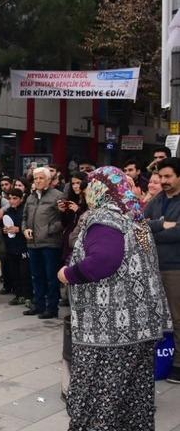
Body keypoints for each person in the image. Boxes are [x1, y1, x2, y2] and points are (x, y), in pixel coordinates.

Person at [61, 166, 172, 430]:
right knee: (132, 393)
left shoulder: (105, 219)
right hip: (141, 326)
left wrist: (68, 274)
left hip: (109, 330)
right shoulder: (135, 218)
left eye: (90, 186)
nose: (86, 192)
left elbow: (103, 261)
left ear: (101, 189)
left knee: (102, 394)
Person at [143, 157, 180, 384]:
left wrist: (154, 231)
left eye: (168, 176)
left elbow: (178, 233)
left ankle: (178, 364)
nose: (164, 181)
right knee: (152, 315)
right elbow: (140, 228)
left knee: (178, 317)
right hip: (152, 267)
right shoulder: (156, 200)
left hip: (175, 268)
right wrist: (161, 225)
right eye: (161, 177)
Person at [22, 167, 64, 319]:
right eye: (35, 178)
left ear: (48, 180)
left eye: (41, 178)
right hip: (33, 243)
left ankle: (52, 308)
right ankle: (38, 305)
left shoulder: (58, 195)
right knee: (36, 275)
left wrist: (48, 230)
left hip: (50, 243)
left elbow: (63, 220)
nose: (38, 181)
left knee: (51, 277)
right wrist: (25, 229)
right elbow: (24, 217)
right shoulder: (31, 197)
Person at [2, 188, 32, 306]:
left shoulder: (25, 211)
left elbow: (30, 227)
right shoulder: (8, 211)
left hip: (24, 247)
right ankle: (18, 295)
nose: (12, 201)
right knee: (14, 272)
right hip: (11, 246)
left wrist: (19, 229)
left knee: (25, 273)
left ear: (21, 199)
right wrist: (5, 230)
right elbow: (5, 226)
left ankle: (28, 296)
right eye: (10, 198)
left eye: (15, 198)